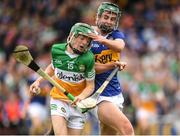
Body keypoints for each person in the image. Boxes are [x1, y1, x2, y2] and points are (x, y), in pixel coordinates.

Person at [29, 23, 96, 135]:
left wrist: (81, 97)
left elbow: (90, 86)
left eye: (88, 40)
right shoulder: (56, 50)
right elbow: (53, 67)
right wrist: (38, 81)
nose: (85, 42)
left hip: (78, 105)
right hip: (58, 99)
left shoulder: (88, 58)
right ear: (72, 36)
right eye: (82, 38)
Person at [88, 2, 134, 135]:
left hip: (114, 91)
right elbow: (88, 69)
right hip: (98, 94)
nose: (109, 21)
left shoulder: (116, 35)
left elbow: (120, 46)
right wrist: (112, 65)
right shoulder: (87, 35)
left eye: (113, 19)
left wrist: (101, 40)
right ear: (98, 17)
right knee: (127, 128)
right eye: (106, 17)